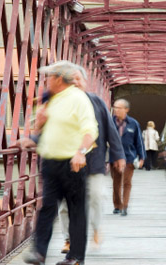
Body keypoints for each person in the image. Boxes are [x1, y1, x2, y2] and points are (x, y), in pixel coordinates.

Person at [20, 60, 98, 265]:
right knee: (47, 207)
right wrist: (34, 138)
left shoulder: (78, 99)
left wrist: (81, 152)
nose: (46, 82)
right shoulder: (53, 99)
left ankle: (75, 257)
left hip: (71, 164)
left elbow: (90, 129)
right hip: (50, 162)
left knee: (76, 210)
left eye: (49, 78)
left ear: (58, 79)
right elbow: (52, 129)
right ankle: (39, 253)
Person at [57, 65, 126, 255]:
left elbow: (111, 130)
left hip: (94, 162)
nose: (76, 83)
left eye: (79, 79)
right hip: (66, 163)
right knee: (65, 204)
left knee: (96, 197)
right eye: (72, 80)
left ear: (85, 82)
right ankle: (68, 239)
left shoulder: (97, 102)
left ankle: (95, 229)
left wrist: (118, 155)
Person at [111, 99, 146, 216]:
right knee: (116, 183)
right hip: (114, 157)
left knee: (127, 182)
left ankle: (124, 206)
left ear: (126, 109)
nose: (116, 110)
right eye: (115, 107)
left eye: (119, 108)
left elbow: (139, 142)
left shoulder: (133, 123)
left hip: (129, 158)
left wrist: (142, 157)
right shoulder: (110, 122)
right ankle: (117, 205)